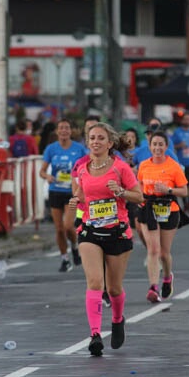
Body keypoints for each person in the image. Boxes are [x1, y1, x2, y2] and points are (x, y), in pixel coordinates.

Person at [71, 123, 143, 356]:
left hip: (117, 232)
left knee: (113, 288)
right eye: (92, 138)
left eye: (101, 138)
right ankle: (94, 334)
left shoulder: (121, 168)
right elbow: (81, 196)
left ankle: (118, 318)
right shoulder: (82, 169)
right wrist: (76, 202)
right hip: (90, 230)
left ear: (110, 143)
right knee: (95, 283)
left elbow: (139, 196)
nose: (95, 142)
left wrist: (121, 192)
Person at [136, 130, 189, 303]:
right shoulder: (144, 165)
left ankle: (167, 277)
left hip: (168, 210)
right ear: (149, 147)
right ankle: (153, 287)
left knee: (164, 253)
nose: (157, 147)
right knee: (153, 250)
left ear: (166, 147)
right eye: (154, 144)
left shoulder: (173, 166)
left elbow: (184, 191)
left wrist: (168, 190)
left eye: (161, 144)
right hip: (148, 208)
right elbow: (139, 184)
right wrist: (138, 197)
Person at [39, 119, 88, 272]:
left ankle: (74, 247)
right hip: (55, 191)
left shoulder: (79, 149)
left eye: (67, 128)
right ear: (57, 131)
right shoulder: (51, 149)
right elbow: (42, 171)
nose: (64, 131)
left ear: (71, 131)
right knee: (59, 229)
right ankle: (65, 259)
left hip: (72, 192)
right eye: (61, 128)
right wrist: (47, 177)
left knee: (68, 226)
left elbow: (87, 167)